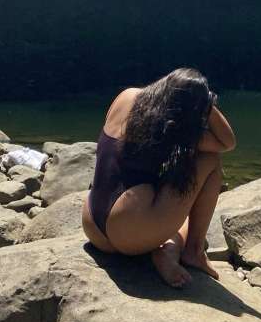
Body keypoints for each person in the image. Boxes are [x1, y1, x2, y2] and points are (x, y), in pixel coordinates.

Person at [82, 67, 236, 288]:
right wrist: (207, 104)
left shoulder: (126, 96)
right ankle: (191, 251)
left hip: (92, 225)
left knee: (177, 211)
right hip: (125, 234)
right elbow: (227, 142)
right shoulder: (171, 126)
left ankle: (168, 246)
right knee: (210, 160)